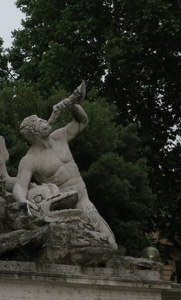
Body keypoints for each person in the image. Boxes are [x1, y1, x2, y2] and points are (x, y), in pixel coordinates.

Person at [12, 94, 114, 242]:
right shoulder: (30, 159)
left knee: (108, 241)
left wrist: (71, 105)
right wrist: (23, 200)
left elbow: (82, 121)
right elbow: (20, 186)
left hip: (83, 199)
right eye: (40, 121)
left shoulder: (59, 136)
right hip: (64, 206)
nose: (44, 120)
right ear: (34, 133)